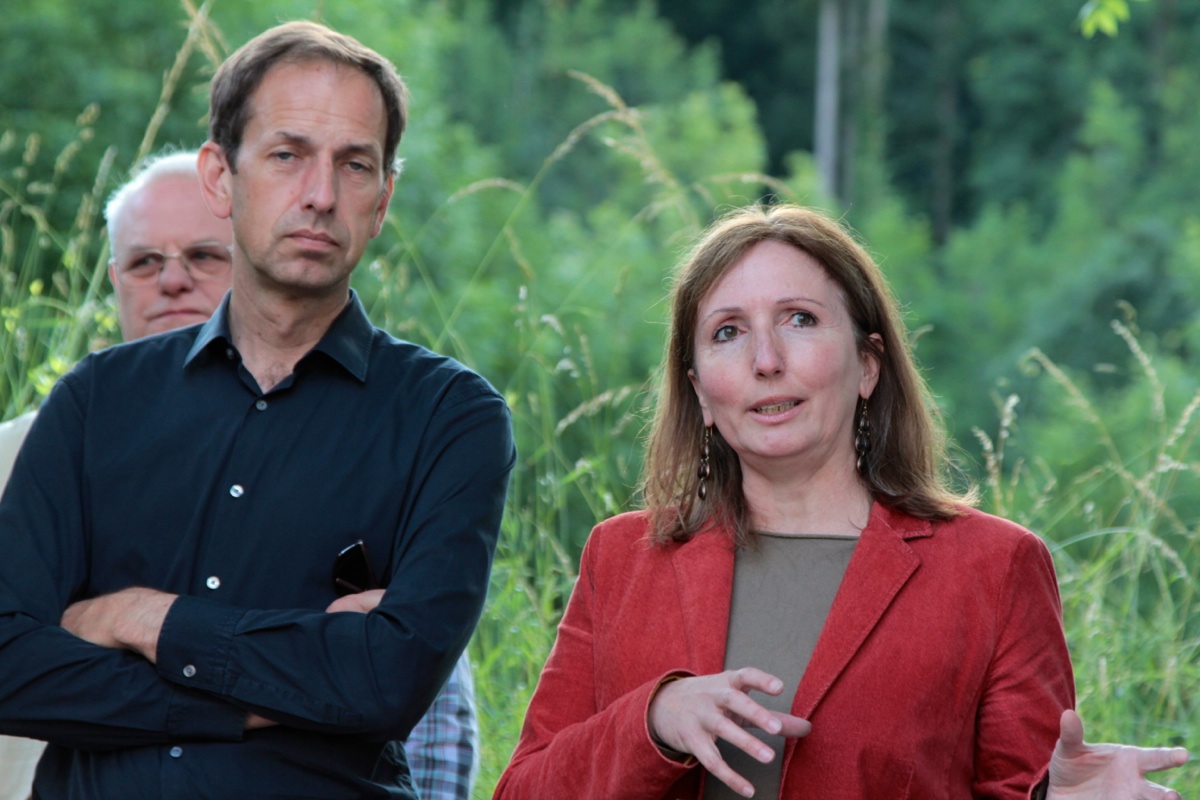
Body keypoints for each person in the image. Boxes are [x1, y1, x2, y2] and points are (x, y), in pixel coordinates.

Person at [492, 204, 1188, 800]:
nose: (766, 359)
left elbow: (1020, 786)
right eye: (728, 331)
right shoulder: (622, 558)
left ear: (868, 365)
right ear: (700, 391)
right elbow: (522, 790)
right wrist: (654, 719)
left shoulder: (995, 568)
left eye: (799, 319)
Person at [0, 21, 513, 799]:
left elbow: (389, 680)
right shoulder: (97, 401)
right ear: (220, 177)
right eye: (287, 155)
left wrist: (140, 619)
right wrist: (268, 693)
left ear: (383, 200)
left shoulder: (449, 417)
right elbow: (9, 665)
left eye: (354, 165)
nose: (320, 195)